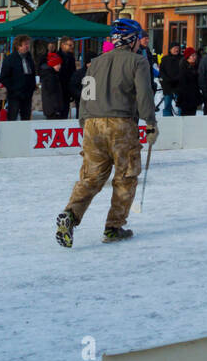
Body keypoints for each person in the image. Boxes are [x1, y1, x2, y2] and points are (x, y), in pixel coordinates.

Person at [55, 17, 158, 246]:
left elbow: (86, 95)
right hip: (121, 124)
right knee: (125, 176)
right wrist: (150, 122)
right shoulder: (137, 62)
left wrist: (85, 122)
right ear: (131, 40)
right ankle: (114, 226)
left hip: (92, 123)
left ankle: (70, 215)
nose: (140, 44)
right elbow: (144, 95)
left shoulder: (97, 62)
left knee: (91, 177)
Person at [0, 35, 37, 122]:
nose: (27, 46)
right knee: (12, 118)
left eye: (28, 44)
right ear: (18, 46)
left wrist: (32, 87)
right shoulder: (10, 59)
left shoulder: (29, 58)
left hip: (27, 94)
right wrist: (13, 89)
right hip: (15, 95)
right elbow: (3, 78)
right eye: (25, 44)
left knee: (26, 118)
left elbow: (32, 75)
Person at [39, 51, 67, 119]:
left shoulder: (52, 74)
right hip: (53, 109)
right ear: (52, 64)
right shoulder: (50, 76)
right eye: (58, 64)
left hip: (52, 108)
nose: (60, 66)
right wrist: (57, 109)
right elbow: (52, 93)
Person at [158, 43, 182, 116]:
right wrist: (166, 80)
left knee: (181, 105)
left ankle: (181, 121)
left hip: (179, 85)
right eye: (174, 48)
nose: (176, 49)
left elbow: (184, 71)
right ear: (170, 49)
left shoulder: (182, 59)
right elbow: (161, 72)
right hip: (167, 85)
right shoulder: (165, 59)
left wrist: (177, 78)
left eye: (177, 48)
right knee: (167, 105)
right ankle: (167, 121)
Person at [176, 48, 202, 116]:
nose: (194, 57)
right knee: (185, 117)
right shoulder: (183, 66)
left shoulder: (196, 66)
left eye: (195, 55)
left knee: (192, 116)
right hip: (185, 98)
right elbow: (182, 83)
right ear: (188, 56)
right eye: (192, 55)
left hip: (194, 96)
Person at [58, 37, 78, 114]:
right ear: (63, 45)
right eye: (70, 45)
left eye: (72, 45)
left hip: (67, 89)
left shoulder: (71, 57)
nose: (72, 47)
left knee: (65, 111)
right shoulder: (57, 56)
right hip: (59, 90)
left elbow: (73, 73)